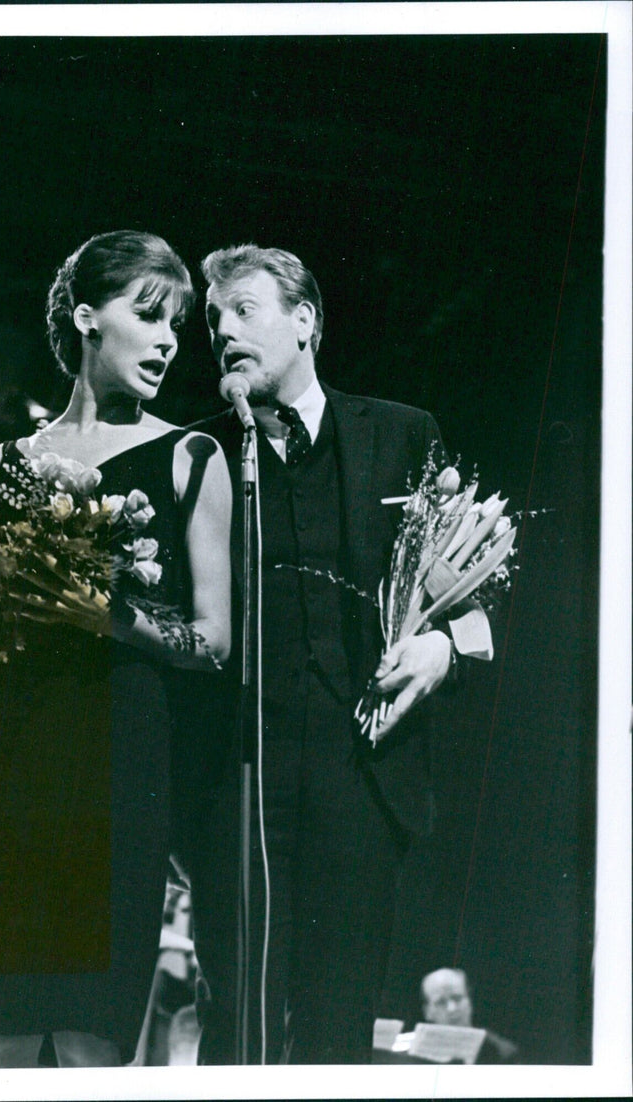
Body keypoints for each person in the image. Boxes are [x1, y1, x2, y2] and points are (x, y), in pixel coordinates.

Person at [0, 230, 231, 1068]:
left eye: (179, 326)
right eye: (150, 315)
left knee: (96, 1048)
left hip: (118, 765)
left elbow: (214, 640)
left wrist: (110, 618)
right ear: (86, 317)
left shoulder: (192, 456)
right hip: (6, 760)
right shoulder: (3, 464)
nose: (170, 340)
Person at [186, 244, 457, 1064]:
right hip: (237, 791)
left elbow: (468, 599)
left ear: (305, 322)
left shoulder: (403, 435)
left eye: (244, 311)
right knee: (234, 1024)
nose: (223, 333)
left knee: (338, 1030)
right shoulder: (201, 453)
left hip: (359, 781)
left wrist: (442, 647)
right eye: (212, 321)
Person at [420, 967, 519, 1064]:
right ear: (428, 1012)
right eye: (441, 1002)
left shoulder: (502, 1053)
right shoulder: (414, 1058)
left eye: (457, 998)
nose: (452, 1009)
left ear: (469, 1002)